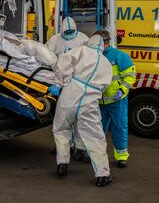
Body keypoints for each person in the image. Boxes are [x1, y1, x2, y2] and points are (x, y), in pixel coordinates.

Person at [48, 34, 113, 187]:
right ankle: (103, 175)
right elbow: (106, 86)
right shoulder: (106, 63)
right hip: (90, 102)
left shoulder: (81, 51)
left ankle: (62, 164)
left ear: (89, 42)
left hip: (70, 95)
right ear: (103, 46)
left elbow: (63, 62)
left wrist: (58, 83)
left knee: (60, 129)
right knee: (95, 137)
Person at [46, 16, 90, 163]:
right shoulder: (55, 39)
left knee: (79, 119)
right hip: (61, 82)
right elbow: (48, 55)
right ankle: (65, 146)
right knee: (63, 119)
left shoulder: (83, 39)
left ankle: (80, 148)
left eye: (71, 31)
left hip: (77, 83)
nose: (69, 34)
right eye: (67, 32)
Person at [96, 30, 136, 168]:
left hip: (116, 100)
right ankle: (96, 155)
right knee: (97, 130)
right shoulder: (95, 57)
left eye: (101, 43)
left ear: (107, 42)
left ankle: (121, 156)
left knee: (119, 127)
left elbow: (130, 76)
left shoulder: (120, 56)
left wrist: (121, 90)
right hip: (99, 101)